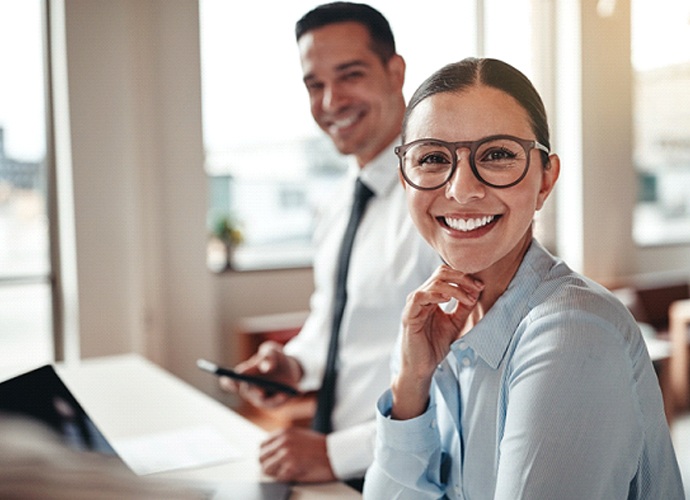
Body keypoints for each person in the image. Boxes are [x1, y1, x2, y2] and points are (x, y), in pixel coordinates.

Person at [363, 57, 684, 499]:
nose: (461, 189)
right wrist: (410, 385)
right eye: (434, 158)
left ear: (546, 179)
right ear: (405, 180)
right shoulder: (442, 326)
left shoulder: (572, 332)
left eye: (496, 155)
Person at [218, 2, 440, 489]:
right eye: (314, 85)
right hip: (330, 469)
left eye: (350, 75)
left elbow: (462, 376)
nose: (330, 101)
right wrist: (293, 366)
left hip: (406, 473)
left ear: (395, 72)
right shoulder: (337, 204)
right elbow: (334, 323)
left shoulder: (442, 201)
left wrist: (337, 453)